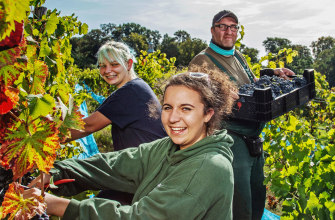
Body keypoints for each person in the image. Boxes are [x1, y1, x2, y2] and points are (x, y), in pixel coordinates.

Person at [24, 65, 237, 220]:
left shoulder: (208, 167)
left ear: (208, 114)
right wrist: (55, 173)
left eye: (186, 109)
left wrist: (59, 206)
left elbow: (143, 217)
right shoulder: (168, 147)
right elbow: (113, 165)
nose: (173, 118)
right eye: (168, 107)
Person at [189, 10, 295, 220]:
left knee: (257, 195)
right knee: (240, 203)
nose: (229, 31)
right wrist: (217, 89)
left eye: (233, 27)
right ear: (212, 30)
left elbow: (252, 84)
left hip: (254, 139)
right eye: (223, 26)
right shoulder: (202, 61)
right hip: (232, 140)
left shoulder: (238, 55)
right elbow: (198, 94)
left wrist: (272, 73)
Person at [66, 41, 167, 204]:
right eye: (102, 66)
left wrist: (46, 139)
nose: (107, 71)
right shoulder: (137, 87)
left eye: (114, 64)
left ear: (128, 64)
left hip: (142, 176)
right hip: (145, 171)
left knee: (91, 211)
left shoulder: (129, 92)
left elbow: (86, 127)